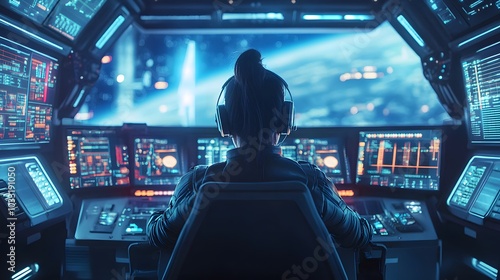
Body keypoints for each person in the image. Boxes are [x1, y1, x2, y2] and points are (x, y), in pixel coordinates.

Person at [147, 49, 372, 252]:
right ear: (286, 119)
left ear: (224, 122)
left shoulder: (199, 183)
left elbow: (159, 236)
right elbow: (358, 236)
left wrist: (158, 214)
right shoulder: (310, 182)